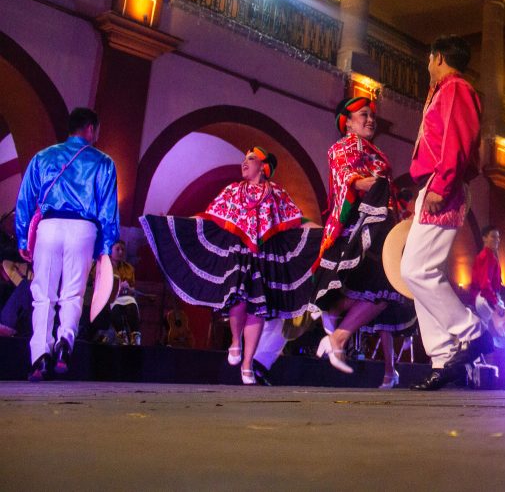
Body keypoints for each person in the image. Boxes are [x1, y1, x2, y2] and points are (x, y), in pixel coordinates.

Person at [141, 146, 319, 384]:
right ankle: (235, 341)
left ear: (263, 167)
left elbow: (296, 221)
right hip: (238, 253)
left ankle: (248, 363)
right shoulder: (233, 190)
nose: (245, 163)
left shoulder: (276, 193)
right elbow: (209, 216)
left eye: (251, 159)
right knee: (239, 298)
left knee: (258, 306)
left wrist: (325, 232)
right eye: (244, 159)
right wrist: (177, 222)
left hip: (263, 255)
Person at [400, 35, 490, 391]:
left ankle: (472, 331)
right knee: (420, 273)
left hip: (443, 186)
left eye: (429, 57)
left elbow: (457, 141)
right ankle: (443, 359)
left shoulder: (456, 88)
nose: (427, 63)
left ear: (438, 57)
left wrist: (440, 185)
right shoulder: (445, 90)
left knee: (415, 270)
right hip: (436, 185)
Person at [308, 96, 415, 387]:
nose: (370, 120)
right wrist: (376, 185)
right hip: (359, 229)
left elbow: (382, 188)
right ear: (348, 122)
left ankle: (337, 335)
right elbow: (350, 179)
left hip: (382, 228)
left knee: (384, 292)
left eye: (372, 116)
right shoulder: (344, 146)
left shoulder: (374, 150)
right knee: (380, 289)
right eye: (363, 115)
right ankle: (336, 331)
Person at [14, 107, 119, 381]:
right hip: (83, 229)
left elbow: (25, 199)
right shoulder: (104, 162)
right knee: (73, 293)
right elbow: (108, 210)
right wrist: (106, 247)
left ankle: (40, 355)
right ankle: (65, 344)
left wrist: (23, 237)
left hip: (49, 227)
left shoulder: (43, 157)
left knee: (43, 294)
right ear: (90, 129)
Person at [109, 240, 147, 345]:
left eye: (123, 250)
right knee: (114, 306)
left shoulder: (129, 268)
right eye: (117, 249)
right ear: (111, 250)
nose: (120, 252)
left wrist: (129, 288)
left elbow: (132, 289)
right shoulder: (104, 265)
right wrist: (117, 286)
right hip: (109, 297)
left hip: (124, 296)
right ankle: (121, 335)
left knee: (132, 304)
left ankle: (135, 335)